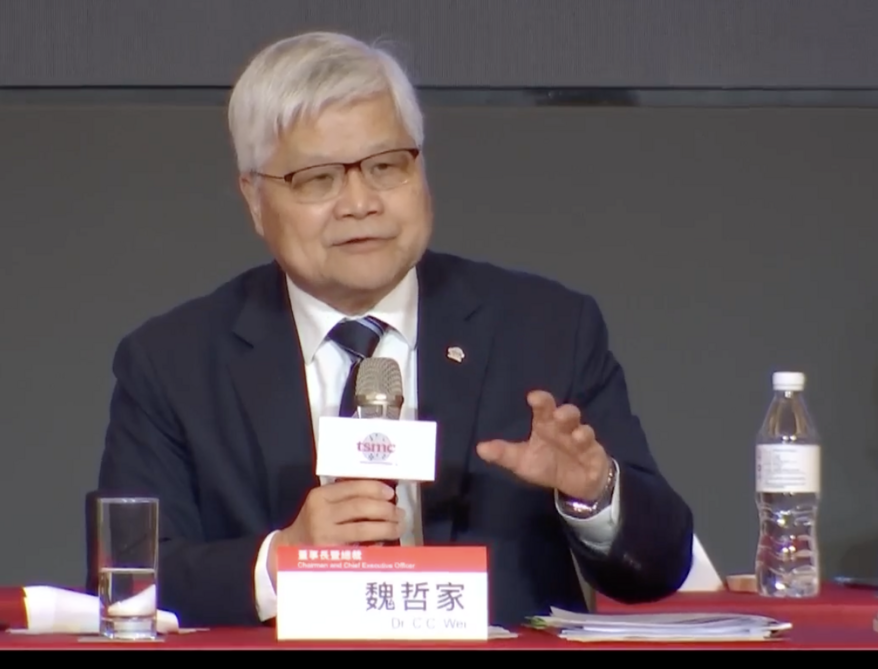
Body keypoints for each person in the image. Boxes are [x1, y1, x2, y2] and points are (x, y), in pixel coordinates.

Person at [97, 31, 694, 628]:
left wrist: (594, 492)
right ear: (254, 198)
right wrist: (281, 560)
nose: (360, 203)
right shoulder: (171, 363)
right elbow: (128, 581)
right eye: (318, 178)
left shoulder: (546, 329)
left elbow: (659, 568)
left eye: (385, 167)